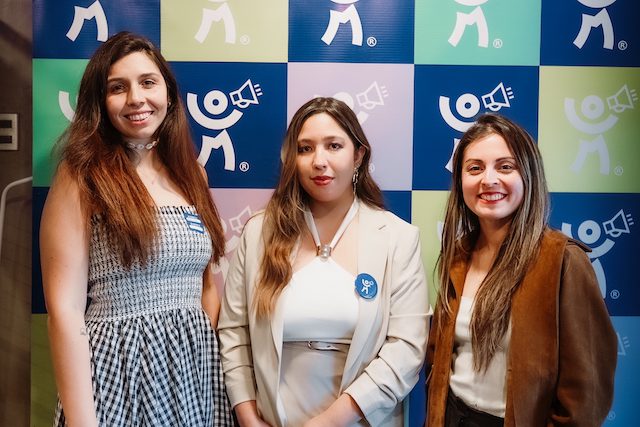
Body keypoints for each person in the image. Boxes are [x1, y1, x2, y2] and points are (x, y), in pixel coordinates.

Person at [40, 31, 234, 426]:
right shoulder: (81, 176)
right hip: (118, 376)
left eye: (148, 82)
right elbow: (64, 311)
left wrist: (192, 356)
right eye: (118, 88)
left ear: (169, 94)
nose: (136, 98)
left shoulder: (192, 173)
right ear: (100, 101)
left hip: (194, 381)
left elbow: (207, 286)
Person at [218, 97, 431, 426]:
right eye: (305, 149)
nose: (319, 161)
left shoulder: (397, 237)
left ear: (358, 155)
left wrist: (331, 421)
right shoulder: (259, 233)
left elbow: (406, 349)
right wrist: (248, 418)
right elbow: (234, 333)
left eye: (334, 146)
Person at [425, 113, 617, 426]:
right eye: (475, 168)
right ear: (460, 181)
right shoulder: (459, 254)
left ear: (528, 175)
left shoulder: (564, 261)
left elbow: (586, 396)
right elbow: (439, 358)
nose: (488, 179)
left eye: (505, 167)